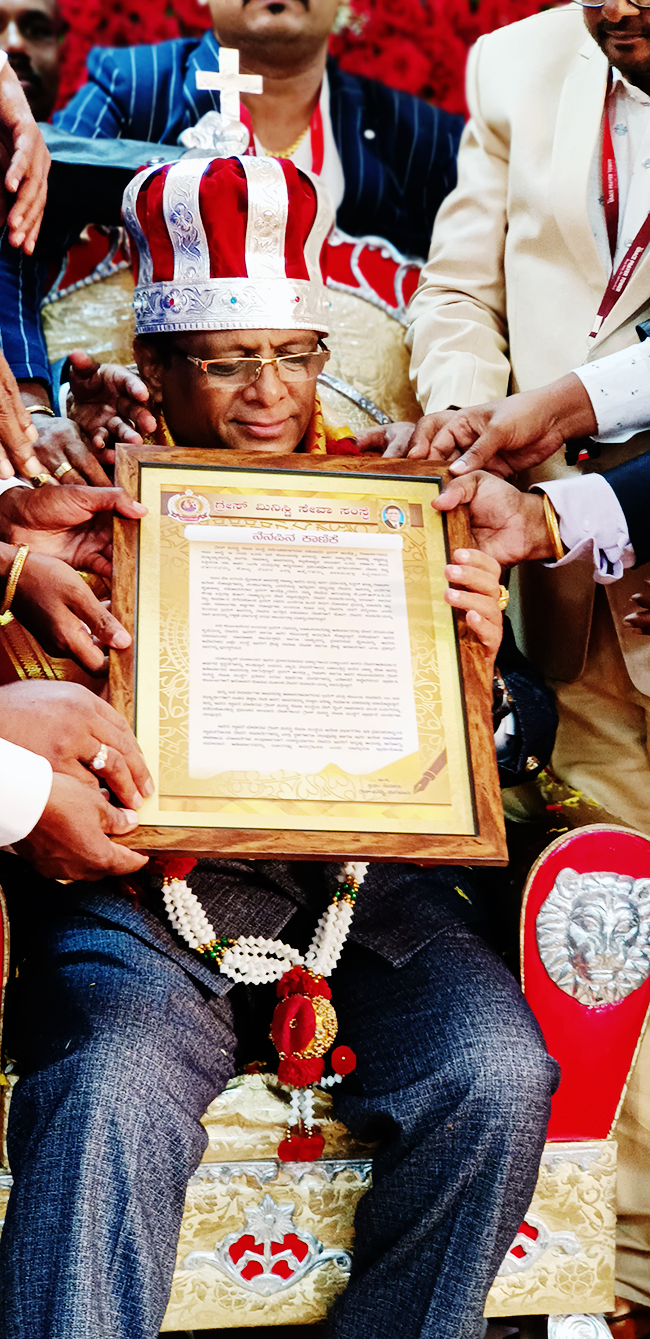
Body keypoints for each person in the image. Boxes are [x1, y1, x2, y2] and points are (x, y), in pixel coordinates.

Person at [0, 151, 558, 1339]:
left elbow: (517, 732)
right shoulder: (79, 520)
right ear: (153, 365)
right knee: (105, 1089)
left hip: (367, 893)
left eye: (293, 357)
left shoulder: (392, 509)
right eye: (227, 360)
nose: (267, 393)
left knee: (495, 1074)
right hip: (146, 894)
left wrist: (467, 679)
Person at [406, 0, 650, 841]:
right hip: (558, 589)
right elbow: (458, 289)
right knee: (597, 912)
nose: (619, 8)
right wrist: (460, 419)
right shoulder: (515, 62)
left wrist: (564, 403)